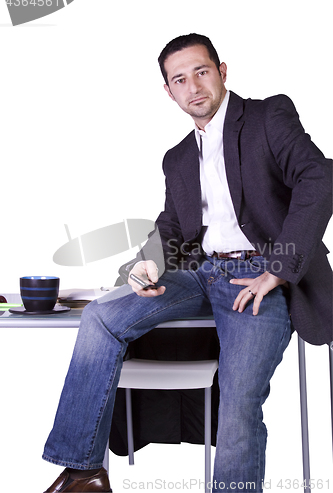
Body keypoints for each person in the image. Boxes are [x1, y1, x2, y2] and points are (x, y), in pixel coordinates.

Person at [43, 34, 332, 493]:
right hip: (203, 275)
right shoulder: (176, 158)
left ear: (222, 70)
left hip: (258, 278)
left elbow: (320, 176)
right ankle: (84, 472)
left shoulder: (267, 117)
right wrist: (149, 264)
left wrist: (277, 269)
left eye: (201, 71)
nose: (193, 86)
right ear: (169, 91)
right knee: (101, 316)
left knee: (238, 401)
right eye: (180, 79)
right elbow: (172, 230)